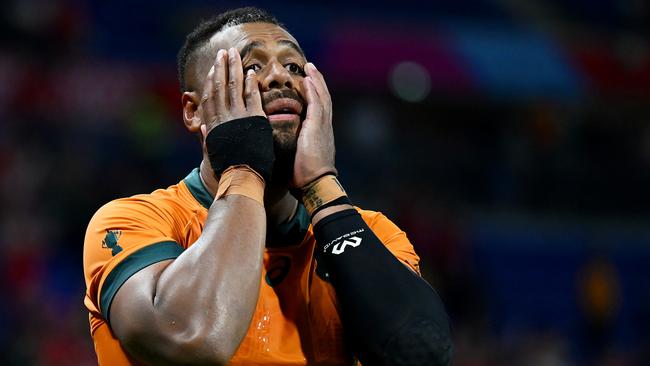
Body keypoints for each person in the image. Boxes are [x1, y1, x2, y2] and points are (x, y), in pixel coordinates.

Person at [82, 7, 452, 366]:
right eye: (251, 66)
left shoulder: (372, 232)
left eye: (294, 67)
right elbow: (191, 339)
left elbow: (419, 353)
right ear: (194, 111)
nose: (280, 78)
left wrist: (322, 185)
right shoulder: (135, 221)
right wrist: (244, 168)